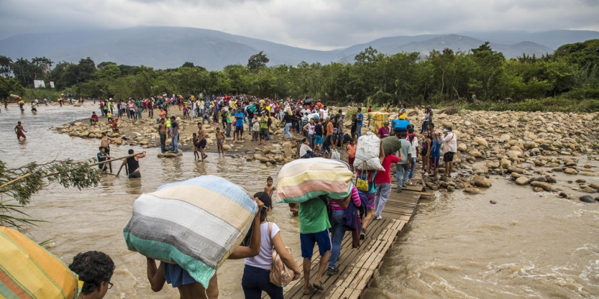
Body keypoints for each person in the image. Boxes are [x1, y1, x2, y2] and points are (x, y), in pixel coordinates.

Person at [148, 197, 264, 299]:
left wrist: (148, 255)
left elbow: (155, 286)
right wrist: (257, 216)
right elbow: (253, 250)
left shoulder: (171, 255)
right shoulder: (209, 251)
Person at [242, 192, 301, 298]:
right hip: (268, 275)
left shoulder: (246, 227)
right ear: (268, 209)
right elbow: (284, 255)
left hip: (248, 273)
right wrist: (297, 269)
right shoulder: (271, 227)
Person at [299, 196, 331, 295]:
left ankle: (306, 286)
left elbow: (292, 204)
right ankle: (318, 279)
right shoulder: (322, 187)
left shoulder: (300, 188)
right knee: (326, 251)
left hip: (305, 227)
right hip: (320, 226)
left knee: (307, 256)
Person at [327, 185, 361, 275]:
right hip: (342, 214)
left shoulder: (331, 183)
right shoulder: (350, 186)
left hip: (331, 213)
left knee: (333, 236)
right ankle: (332, 266)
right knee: (337, 241)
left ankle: (333, 256)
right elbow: (358, 203)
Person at [373, 150, 400, 220]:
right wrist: (399, 150)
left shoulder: (376, 157)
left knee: (377, 195)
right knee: (383, 197)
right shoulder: (390, 156)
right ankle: (377, 213)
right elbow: (401, 159)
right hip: (386, 180)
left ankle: (376, 211)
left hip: (376, 179)